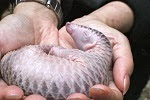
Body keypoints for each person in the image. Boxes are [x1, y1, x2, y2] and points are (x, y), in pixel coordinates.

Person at [0, 0, 147, 99]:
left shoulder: (93, 61)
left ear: (93, 44)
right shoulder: (99, 66)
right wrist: (34, 7)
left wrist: (114, 14)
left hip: (25, 63)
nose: (70, 27)